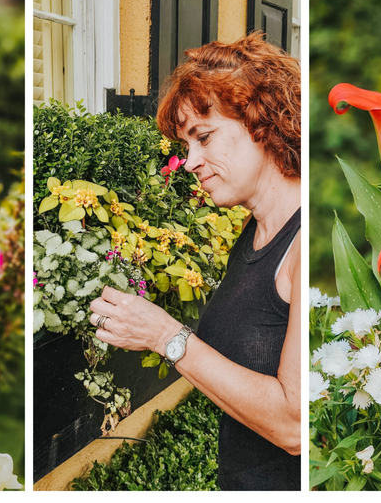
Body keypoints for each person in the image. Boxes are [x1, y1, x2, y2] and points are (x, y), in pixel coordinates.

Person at [89, 32, 301, 490]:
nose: (190, 161)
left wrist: (166, 335)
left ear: (264, 122)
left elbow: (294, 426)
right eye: (188, 145)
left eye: (204, 138)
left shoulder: (305, 245)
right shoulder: (254, 229)